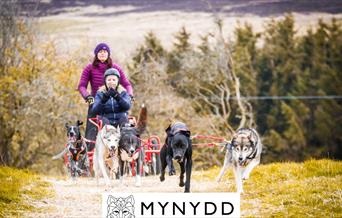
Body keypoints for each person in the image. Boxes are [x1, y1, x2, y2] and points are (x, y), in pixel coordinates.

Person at [78, 43, 133, 151]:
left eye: (105, 52)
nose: (102, 54)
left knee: (124, 121)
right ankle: (90, 152)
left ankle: (124, 145)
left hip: (116, 101)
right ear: (96, 54)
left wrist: (130, 95)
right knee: (92, 131)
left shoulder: (115, 68)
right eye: (100, 52)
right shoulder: (89, 68)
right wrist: (88, 96)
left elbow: (127, 84)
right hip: (97, 101)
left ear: (108, 54)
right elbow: (82, 86)